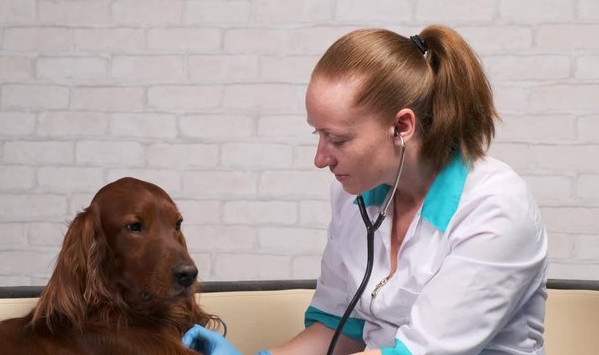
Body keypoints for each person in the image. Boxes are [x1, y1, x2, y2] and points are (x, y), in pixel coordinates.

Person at [183, 25, 548, 355]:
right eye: (318, 133)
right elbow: (341, 328)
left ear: (402, 126)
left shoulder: (495, 209)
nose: (321, 158)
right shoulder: (354, 197)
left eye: (337, 139)